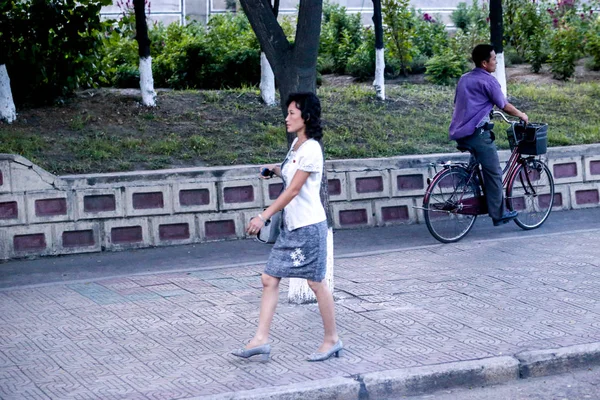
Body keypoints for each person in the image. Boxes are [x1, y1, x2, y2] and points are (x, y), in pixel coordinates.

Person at [231, 92, 342, 362]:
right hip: (292, 229)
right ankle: (260, 340)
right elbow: (290, 174)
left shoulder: (312, 148)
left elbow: (293, 191)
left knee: (316, 283)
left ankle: (332, 340)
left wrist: (263, 216)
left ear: (306, 117)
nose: (287, 117)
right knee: (269, 278)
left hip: (309, 227)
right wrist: (274, 169)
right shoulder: (296, 145)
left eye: (292, 113)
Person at [449, 44, 529, 226]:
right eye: (493, 59)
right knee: (494, 173)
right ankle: (499, 214)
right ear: (484, 63)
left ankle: (471, 187)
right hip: (478, 135)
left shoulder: (464, 79)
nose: (496, 62)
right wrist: (521, 115)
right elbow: (504, 105)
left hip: (461, 132)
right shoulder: (488, 81)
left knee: (479, 166)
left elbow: (464, 103)